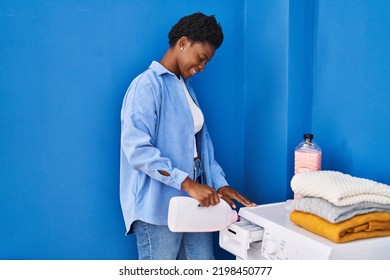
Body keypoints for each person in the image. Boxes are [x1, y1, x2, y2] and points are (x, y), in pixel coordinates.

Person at [120, 12, 255, 260]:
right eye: (201, 58)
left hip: (194, 203)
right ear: (183, 42)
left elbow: (204, 149)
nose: (202, 67)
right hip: (158, 208)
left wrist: (219, 184)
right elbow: (137, 151)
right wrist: (188, 183)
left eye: (206, 63)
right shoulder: (147, 85)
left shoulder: (186, 89)